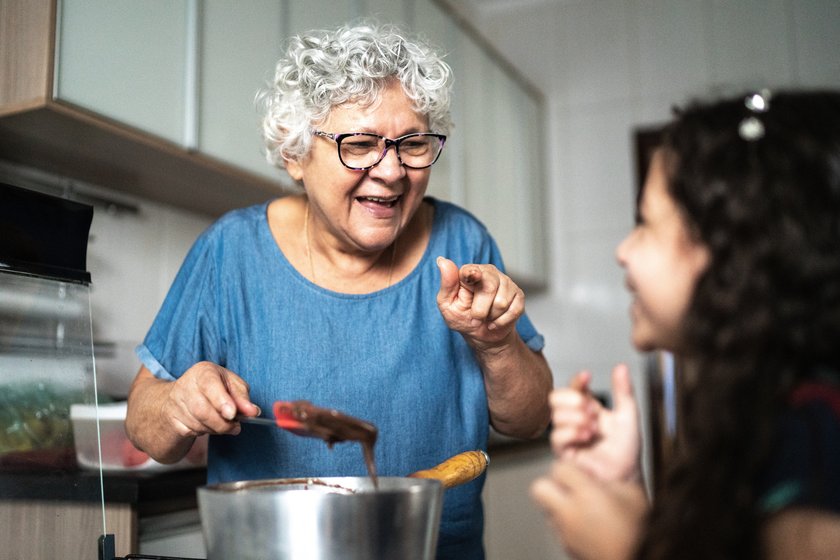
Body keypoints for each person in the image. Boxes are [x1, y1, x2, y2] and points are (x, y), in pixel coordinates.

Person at [125, 21, 552, 559]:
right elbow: (143, 424)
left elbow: (532, 417)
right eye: (361, 144)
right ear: (296, 153)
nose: (392, 171)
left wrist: (497, 345)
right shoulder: (231, 252)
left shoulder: (464, 242)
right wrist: (179, 403)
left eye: (411, 143)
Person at [530, 90, 840, 559]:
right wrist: (628, 490)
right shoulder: (755, 410)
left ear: (728, 250)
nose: (623, 251)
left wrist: (626, 551)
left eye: (645, 224)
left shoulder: (815, 435)